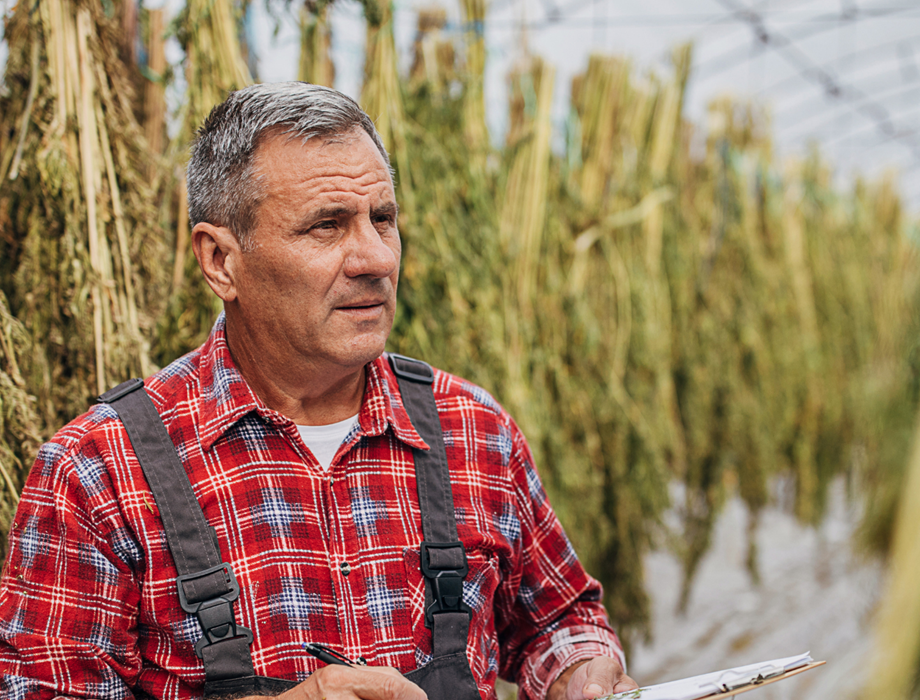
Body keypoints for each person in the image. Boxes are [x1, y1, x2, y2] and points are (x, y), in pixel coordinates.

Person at [0, 82, 639, 700]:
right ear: (221, 261)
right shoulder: (99, 474)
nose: (375, 258)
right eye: (326, 227)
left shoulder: (472, 429)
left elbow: (558, 619)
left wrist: (577, 669)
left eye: (381, 219)